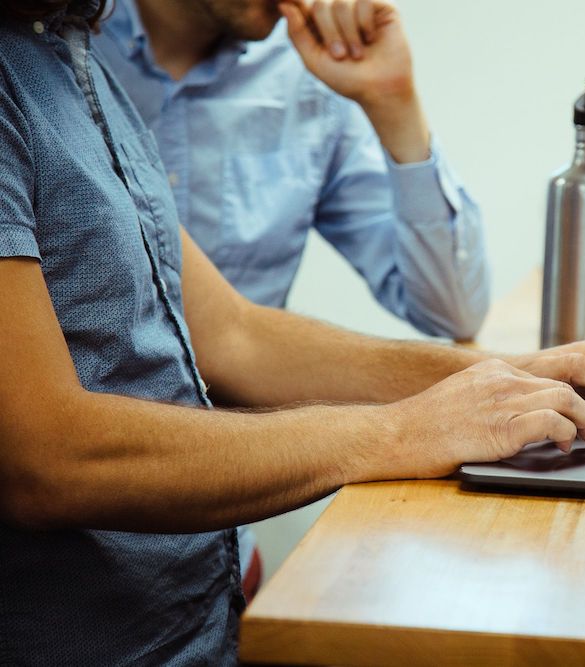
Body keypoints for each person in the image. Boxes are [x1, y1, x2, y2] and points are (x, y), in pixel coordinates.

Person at [0, 2, 585, 663]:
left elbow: (235, 334)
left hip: (206, 612)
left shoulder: (70, 56)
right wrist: (403, 431)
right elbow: (44, 460)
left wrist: (520, 373)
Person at [91, 0, 491, 583]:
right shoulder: (57, 61)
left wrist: (394, 102)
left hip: (223, 554)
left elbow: (450, 307)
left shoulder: (309, 73)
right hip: (75, 553)